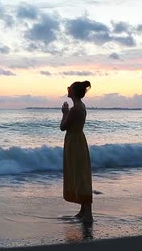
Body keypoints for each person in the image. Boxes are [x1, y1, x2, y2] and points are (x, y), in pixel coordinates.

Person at [60, 80, 93, 223]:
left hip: (74, 142)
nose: (68, 89)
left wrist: (64, 112)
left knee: (79, 175)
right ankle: (84, 211)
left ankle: (88, 214)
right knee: (81, 174)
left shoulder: (74, 110)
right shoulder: (82, 106)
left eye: (70, 88)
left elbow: (63, 127)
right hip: (79, 141)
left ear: (73, 92)